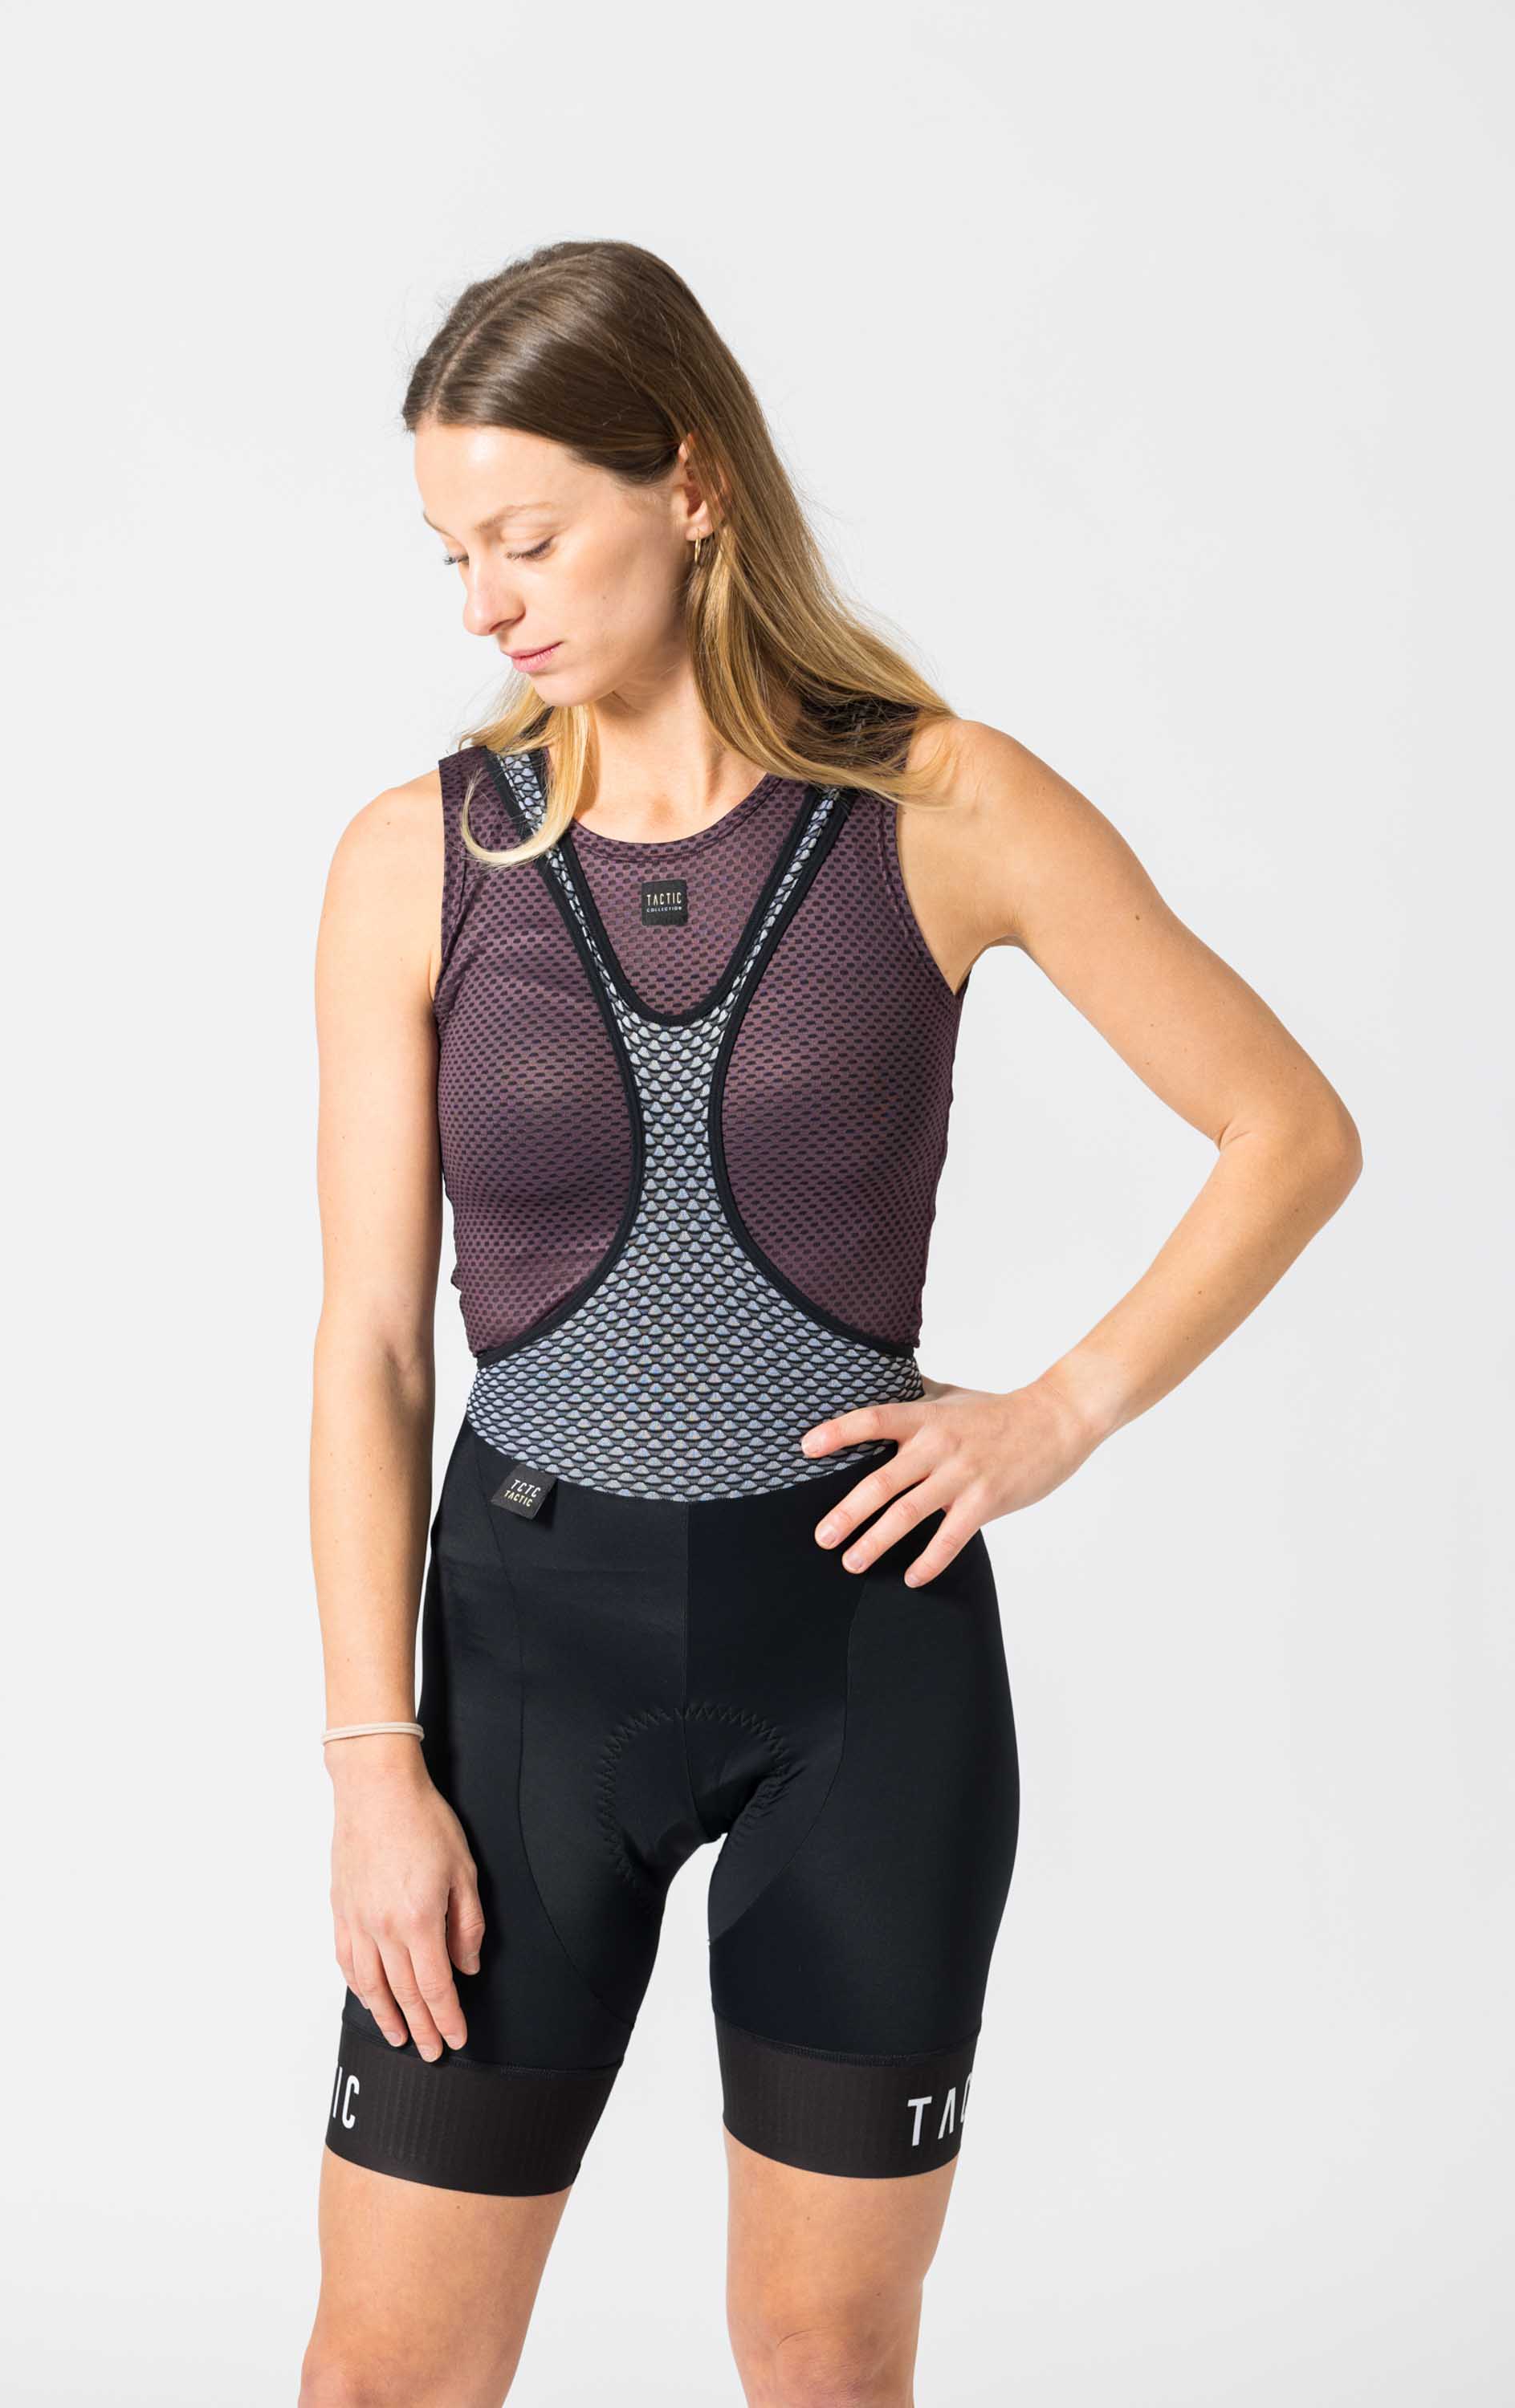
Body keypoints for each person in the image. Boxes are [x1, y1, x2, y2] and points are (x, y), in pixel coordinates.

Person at [299, 239, 1362, 2408]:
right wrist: (370, 1764)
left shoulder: (942, 805)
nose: (485, 603)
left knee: (823, 2349)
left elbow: (1289, 1131)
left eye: (528, 540)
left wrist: (1058, 1413)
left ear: (690, 483)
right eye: (452, 554)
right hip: (523, 1678)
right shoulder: (421, 857)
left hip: (864, 1671)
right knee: (388, 2367)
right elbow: (373, 1348)